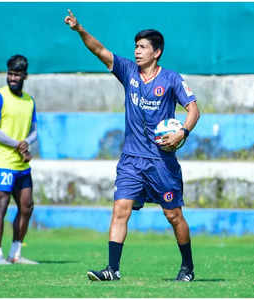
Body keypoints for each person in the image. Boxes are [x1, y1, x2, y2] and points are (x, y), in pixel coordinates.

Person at [65, 9, 200, 281]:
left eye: (142, 47)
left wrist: (182, 132)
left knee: (174, 216)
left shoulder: (172, 79)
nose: (137, 51)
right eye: (135, 47)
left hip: (161, 162)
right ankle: (112, 269)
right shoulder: (128, 71)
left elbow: (194, 109)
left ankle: (188, 267)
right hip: (131, 160)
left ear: (156, 52)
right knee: (120, 209)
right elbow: (100, 51)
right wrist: (79, 29)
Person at [0, 54, 38, 265]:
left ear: (25, 75)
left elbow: (35, 132)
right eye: (10, 74)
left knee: (27, 206)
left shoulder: (29, 101)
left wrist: (26, 141)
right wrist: (17, 144)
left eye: (17, 74)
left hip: (21, 163)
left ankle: (15, 254)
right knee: (1, 205)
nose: (13, 78)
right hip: (2, 161)